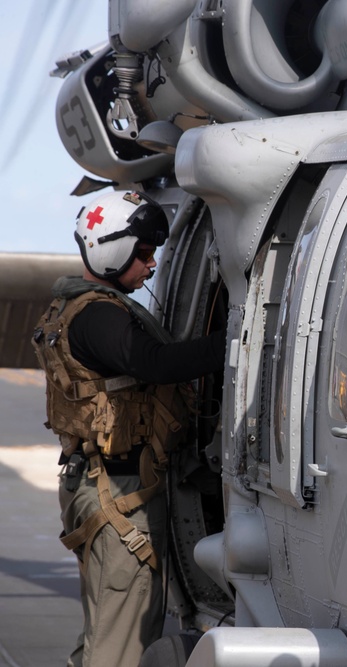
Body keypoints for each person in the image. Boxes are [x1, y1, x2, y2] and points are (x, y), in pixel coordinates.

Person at [32, 190, 225, 667]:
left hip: (104, 485)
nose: (152, 264)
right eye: (142, 253)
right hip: (118, 494)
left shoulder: (77, 307)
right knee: (120, 645)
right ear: (111, 249)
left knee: (107, 632)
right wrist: (236, 341)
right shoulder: (97, 315)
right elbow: (153, 364)